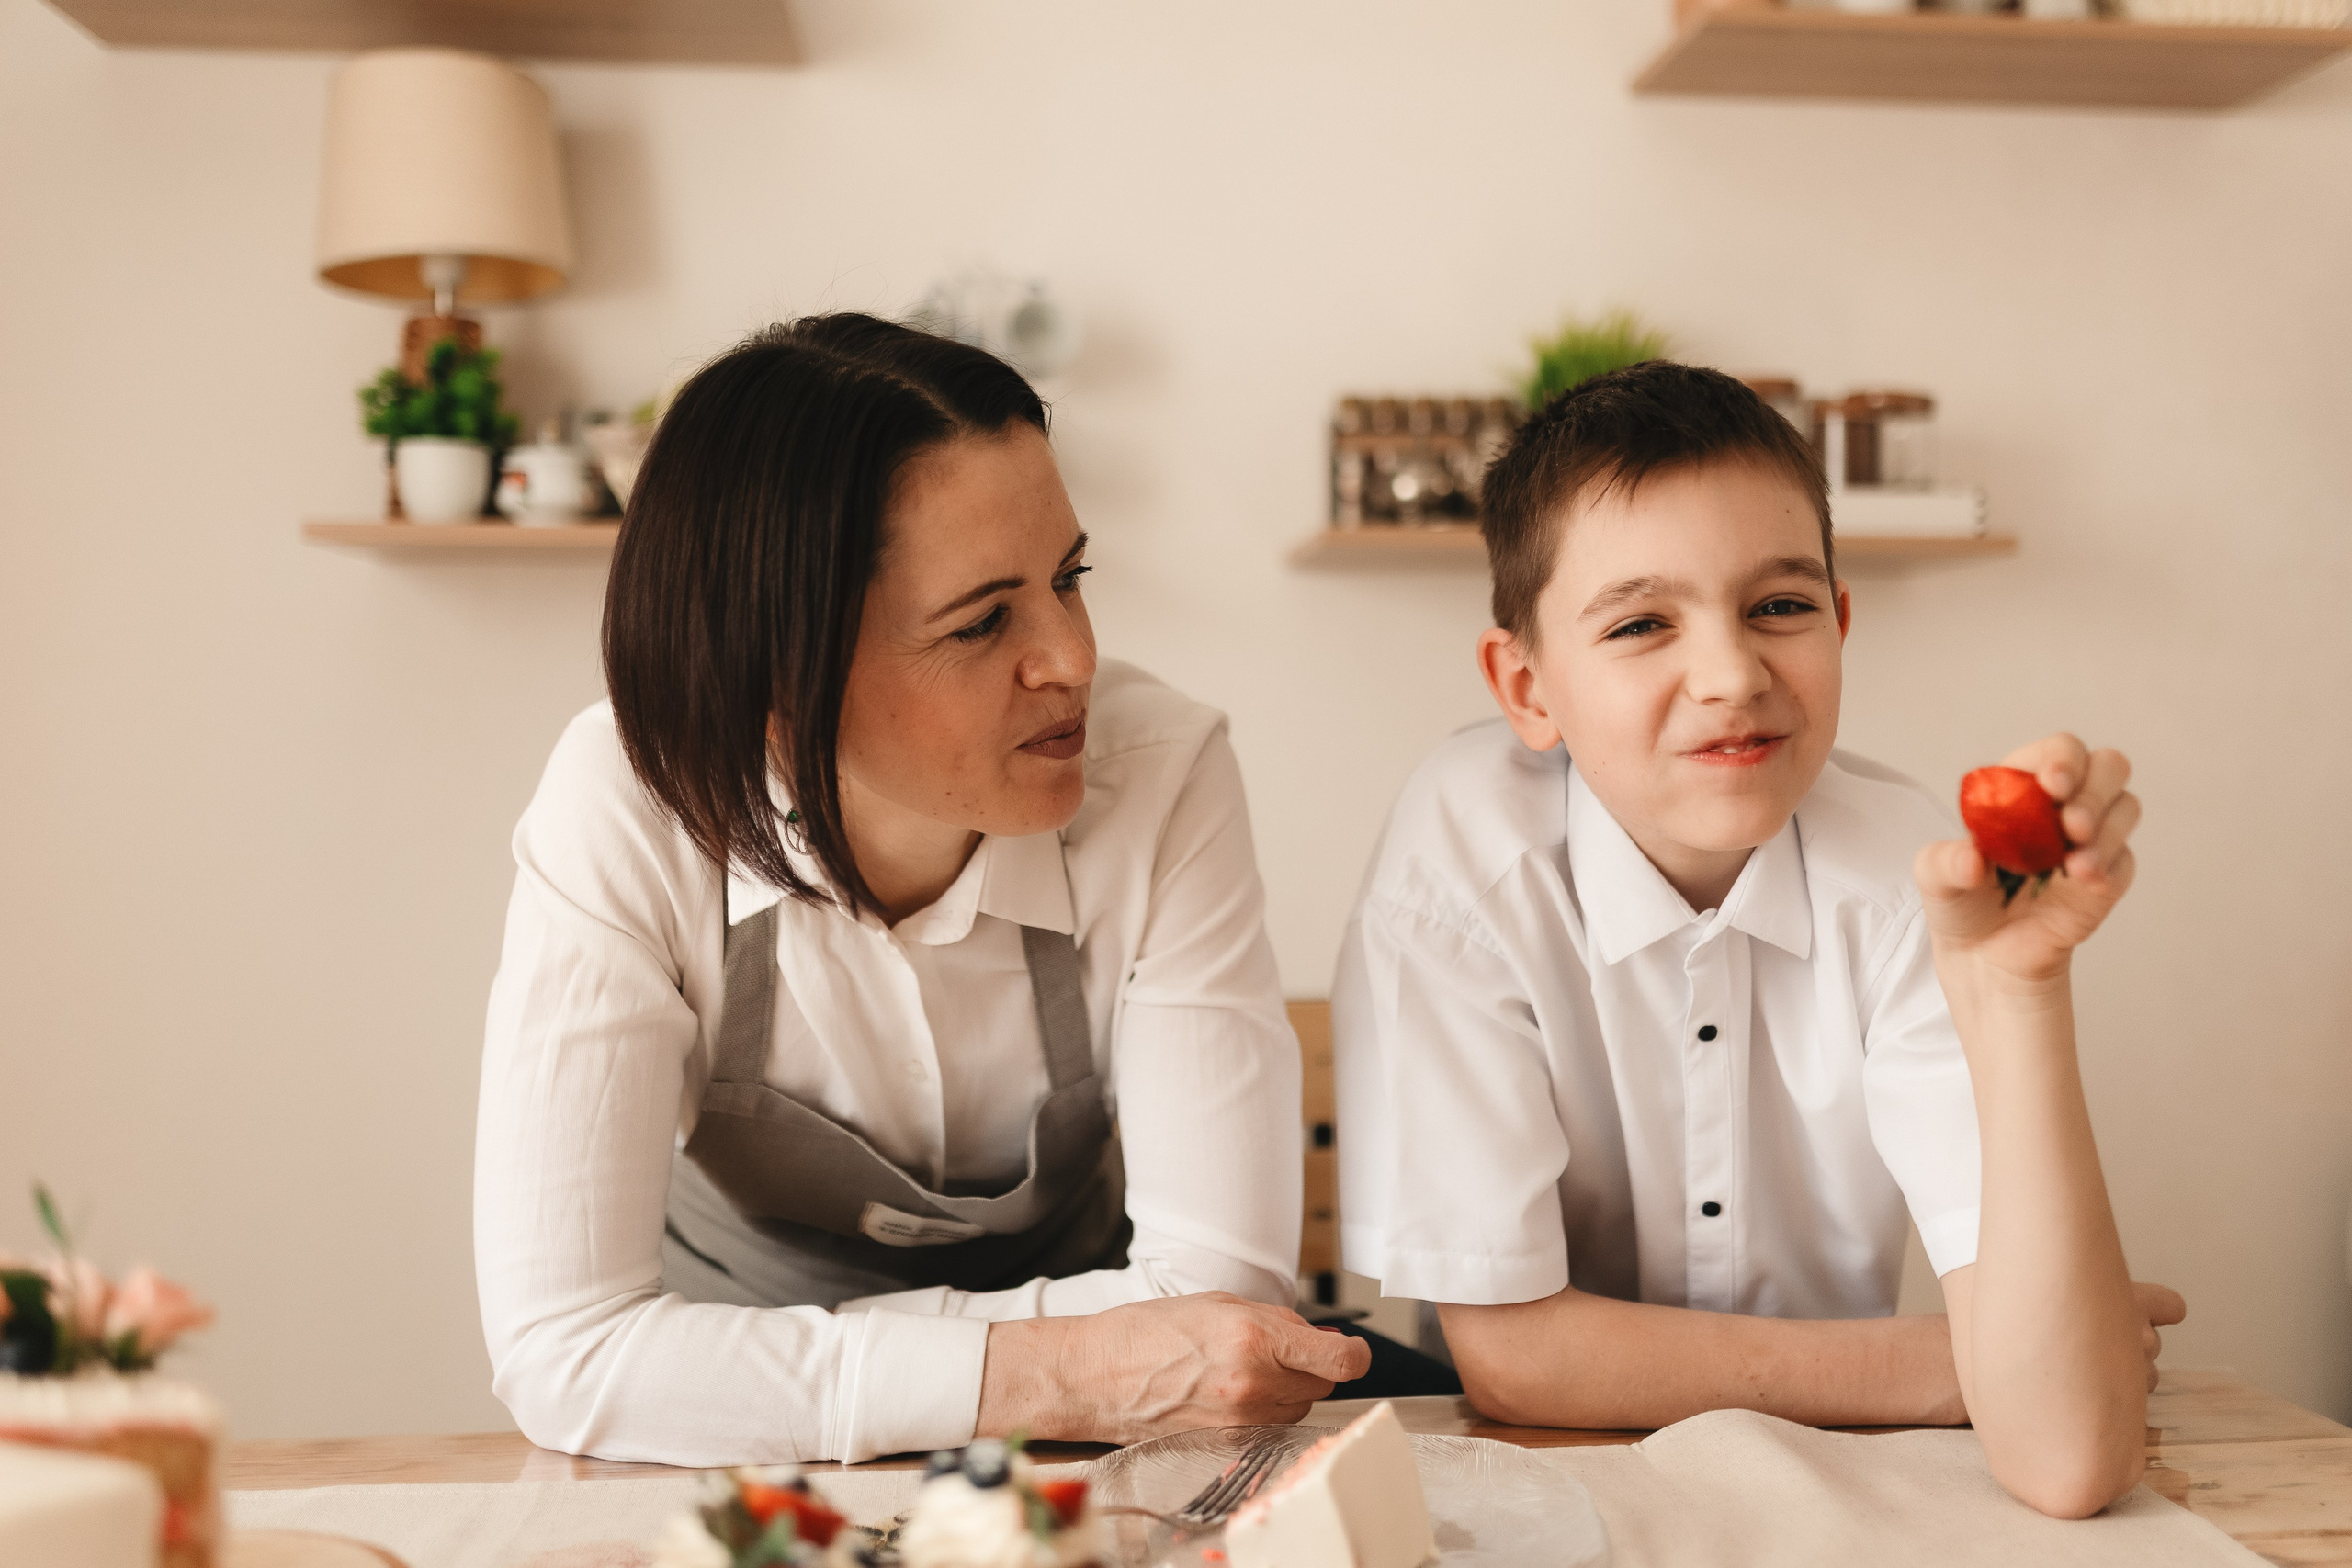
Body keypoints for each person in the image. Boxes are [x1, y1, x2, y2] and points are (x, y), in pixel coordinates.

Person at [474, 315, 1370, 1466]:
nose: (1074, 659)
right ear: (774, 680)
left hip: (1072, 1455)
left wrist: (743, 1368)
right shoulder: (625, 804)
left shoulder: (1161, 775)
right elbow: (567, 1352)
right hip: (738, 1465)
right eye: (983, 620)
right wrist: (1072, 1366)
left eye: (1069, 578)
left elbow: (1217, 1299)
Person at [1331, 361, 2185, 1518]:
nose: (1733, 676)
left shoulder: (1911, 882)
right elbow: (1517, 1362)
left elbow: (2068, 1455)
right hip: (1532, 1487)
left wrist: (2020, 993)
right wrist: (1948, 1362)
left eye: (1779, 607)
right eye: (1641, 623)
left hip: (1841, 1489)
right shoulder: (1458, 871)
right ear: (1526, 688)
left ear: (1840, 622)